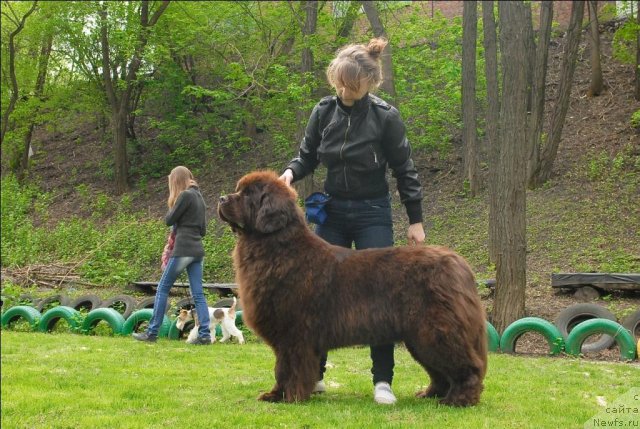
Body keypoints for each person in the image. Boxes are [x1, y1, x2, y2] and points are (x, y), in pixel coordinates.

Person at [279, 38, 425, 405]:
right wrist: (290, 173)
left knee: (380, 294)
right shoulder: (323, 112)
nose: (344, 90)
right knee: (318, 294)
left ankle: (383, 381)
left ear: (369, 84)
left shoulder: (385, 117)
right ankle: (315, 376)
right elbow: (306, 156)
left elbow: (404, 170)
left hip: (372, 211)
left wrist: (415, 220)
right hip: (333, 211)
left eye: (352, 85)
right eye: (340, 82)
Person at [133, 166, 211, 345]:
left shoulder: (185, 196)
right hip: (197, 251)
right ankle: (205, 334)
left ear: (176, 181)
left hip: (183, 249)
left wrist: (175, 205)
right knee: (198, 293)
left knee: (162, 289)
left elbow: (169, 219)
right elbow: (203, 230)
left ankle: (152, 332)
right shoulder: (199, 197)